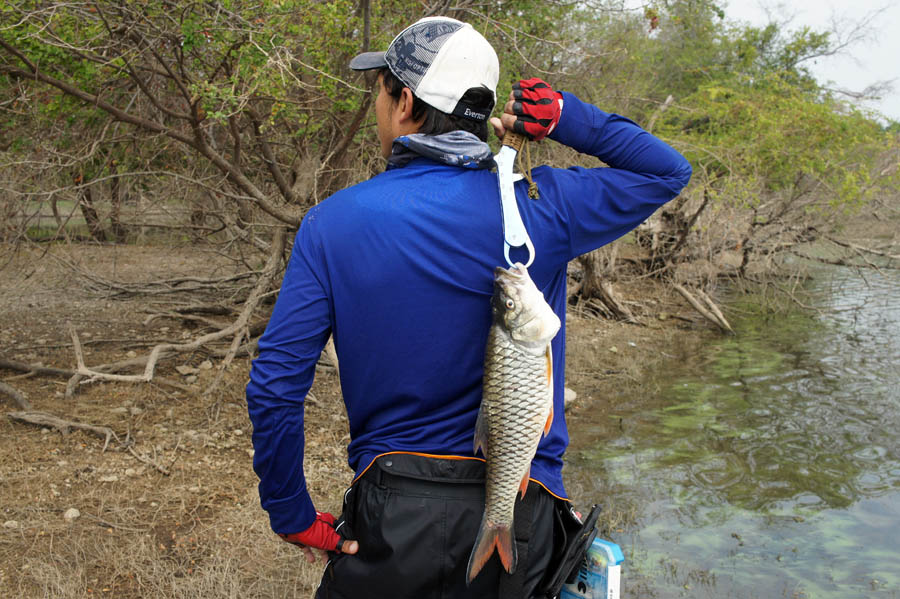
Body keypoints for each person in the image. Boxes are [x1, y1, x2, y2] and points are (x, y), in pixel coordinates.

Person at [246, 16, 691, 599]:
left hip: (391, 516)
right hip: (524, 510)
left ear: (404, 102)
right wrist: (567, 118)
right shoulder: (540, 207)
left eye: (381, 90)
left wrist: (291, 511)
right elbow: (666, 171)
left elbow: (277, 383)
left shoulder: (334, 223)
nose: (379, 108)